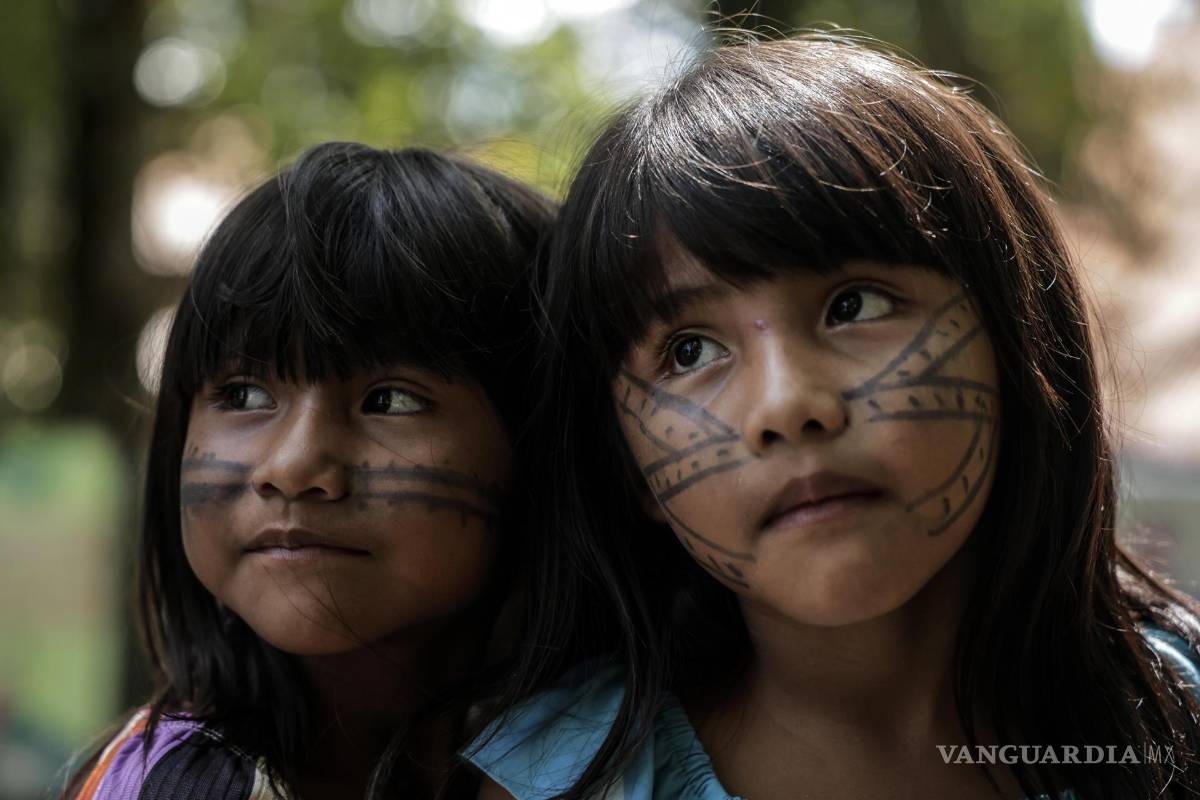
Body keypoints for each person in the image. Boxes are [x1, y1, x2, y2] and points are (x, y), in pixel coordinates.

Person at [466, 34, 1200, 800]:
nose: (787, 406)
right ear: (631, 470)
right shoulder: (574, 782)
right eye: (688, 352)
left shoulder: (1168, 717)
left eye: (854, 306)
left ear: (1021, 350)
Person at [64, 142, 554, 800]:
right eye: (242, 395)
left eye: (391, 400)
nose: (292, 467)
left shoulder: (655, 759)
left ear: (543, 443)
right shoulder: (156, 783)